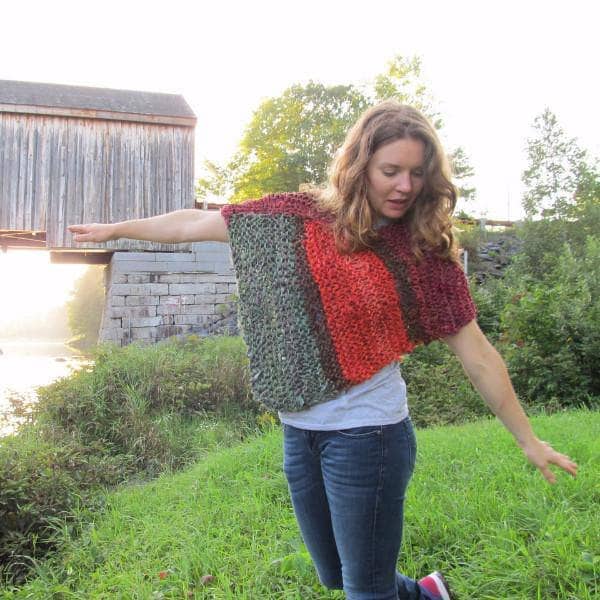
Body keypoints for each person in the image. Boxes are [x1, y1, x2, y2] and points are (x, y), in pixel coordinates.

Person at [69, 101, 577, 600]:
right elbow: (190, 224)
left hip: (370, 435)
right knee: (335, 576)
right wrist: (118, 229)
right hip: (300, 433)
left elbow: (479, 354)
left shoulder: (423, 253)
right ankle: (427, 594)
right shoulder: (295, 218)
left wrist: (529, 440)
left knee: (364, 589)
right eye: (390, 170)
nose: (404, 186)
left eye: (417, 173)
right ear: (360, 167)